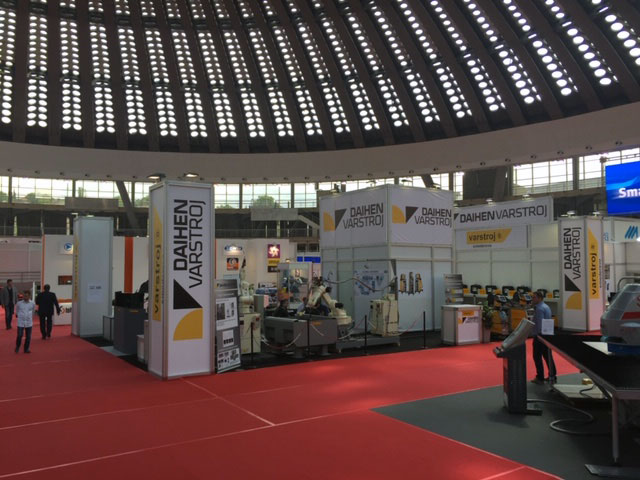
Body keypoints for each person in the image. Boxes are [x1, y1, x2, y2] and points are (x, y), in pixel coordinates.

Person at [530, 291, 557, 384]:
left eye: (534, 297)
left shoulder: (539, 309)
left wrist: (537, 335)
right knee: (548, 356)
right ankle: (552, 375)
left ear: (540, 298)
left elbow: (540, 324)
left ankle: (540, 377)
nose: (532, 299)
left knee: (537, 356)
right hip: (547, 335)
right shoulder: (546, 306)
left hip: (540, 336)